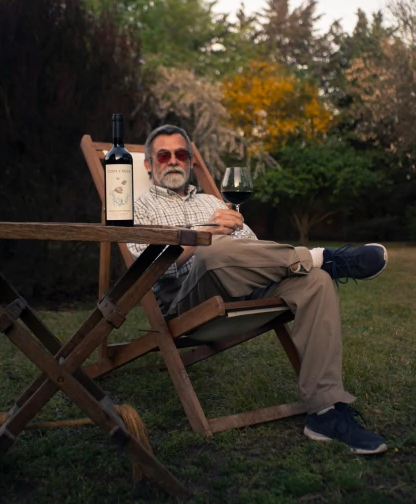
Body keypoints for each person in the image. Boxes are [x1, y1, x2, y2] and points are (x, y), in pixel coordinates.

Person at [128, 125, 388, 455]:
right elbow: (144, 266)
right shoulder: (140, 207)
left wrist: (228, 231)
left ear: (192, 162)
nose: (173, 161)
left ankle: (325, 412)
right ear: (149, 164)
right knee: (211, 250)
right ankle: (323, 257)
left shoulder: (213, 201)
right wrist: (207, 231)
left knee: (315, 281)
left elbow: (252, 248)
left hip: (242, 289)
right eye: (163, 155)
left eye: (181, 154)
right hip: (187, 301)